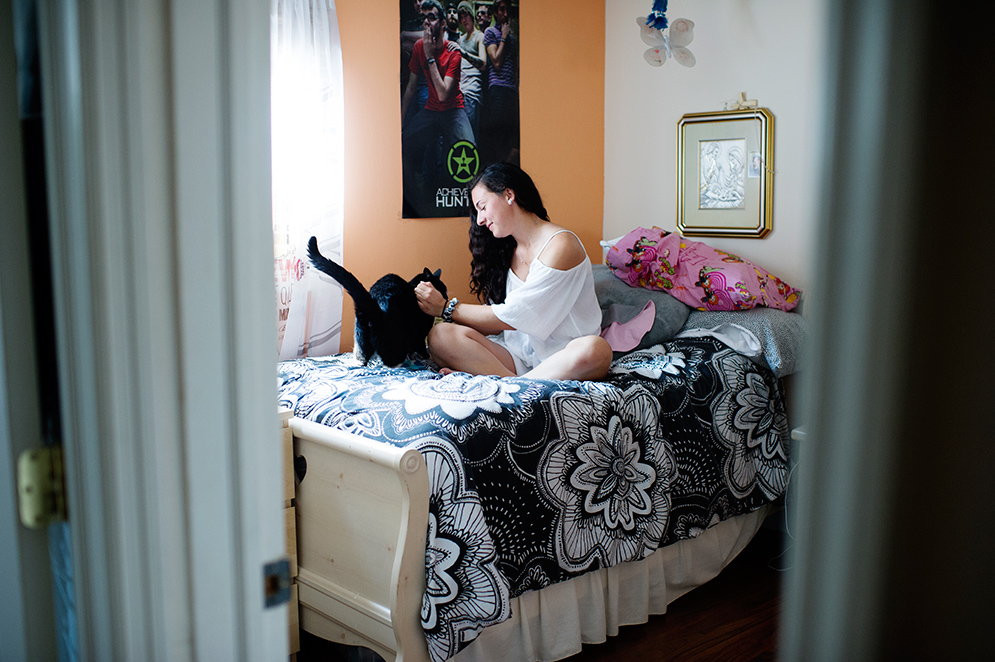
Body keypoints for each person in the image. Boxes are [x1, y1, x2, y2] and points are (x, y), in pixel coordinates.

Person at [415, 163, 613, 380]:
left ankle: (511, 383)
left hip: (564, 359)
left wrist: (446, 308)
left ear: (509, 194)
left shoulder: (561, 244)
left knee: (596, 350)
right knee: (440, 336)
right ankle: (514, 382)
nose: (480, 220)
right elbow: (499, 327)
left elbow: (515, 316)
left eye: (482, 206)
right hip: (517, 359)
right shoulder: (507, 250)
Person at [400, 0, 475, 216]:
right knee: (403, 146)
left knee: (470, 153)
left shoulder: (454, 53)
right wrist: (401, 123)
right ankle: (419, 207)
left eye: (431, 17)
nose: (426, 22)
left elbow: (443, 95)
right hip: (430, 112)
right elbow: (412, 87)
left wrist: (430, 57)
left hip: (453, 110)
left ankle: (470, 210)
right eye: (423, 17)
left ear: (442, 23)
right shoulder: (418, 48)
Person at [481, 0, 519, 165]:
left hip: (512, 92)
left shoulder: (512, 38)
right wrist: (503, 37)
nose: (505, 13)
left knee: (513, 140)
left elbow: (515, 67)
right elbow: (495, 61)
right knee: (497, 138)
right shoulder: (490, 32)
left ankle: (506, 171)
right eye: (502, 10)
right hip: (497, 89)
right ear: (495, 12)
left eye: (507, 10)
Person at [455, 1, 487, 142]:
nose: (464, 20)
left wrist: (464, 53)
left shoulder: (479, 36)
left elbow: (483, 63)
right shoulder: (460, 39)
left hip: (472, 93)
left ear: (471, 17)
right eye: (461, 17)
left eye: (466, 15)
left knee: (469, 137)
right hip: (459, 93)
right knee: (460, 136)